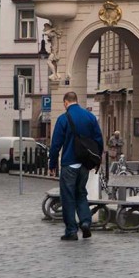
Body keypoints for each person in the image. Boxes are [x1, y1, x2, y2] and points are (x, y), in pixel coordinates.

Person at [48, 90, 104, 241]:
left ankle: (71, 231)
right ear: (77, 101)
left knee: (68, 197)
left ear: (66, 102)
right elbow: (99, 140)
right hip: (85, 164)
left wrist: (52, 163)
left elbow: (56, 144)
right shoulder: (90, 117)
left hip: (69, 163)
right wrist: (97, 160)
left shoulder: (63, 118)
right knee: (81, 194)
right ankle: (85, 222)